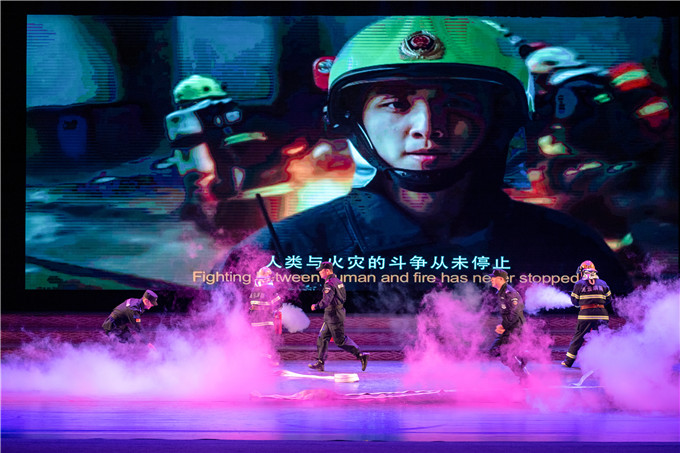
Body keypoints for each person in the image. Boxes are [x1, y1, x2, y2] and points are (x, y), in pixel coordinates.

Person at [219, 16, 631, 303]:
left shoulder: (568, 249)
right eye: (396, 103)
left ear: (499, 118)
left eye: (458, 104)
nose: (427, 127)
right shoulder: (278, 254)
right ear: (352, 119)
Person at [308, 261, 369, 372]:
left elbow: (326, 301)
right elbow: (343, 298)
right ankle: (320, 362)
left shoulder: (329, 283)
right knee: (322, 337)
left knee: (340, 341)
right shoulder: (338, 281)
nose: (319, 273)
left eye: (321, 271)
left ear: (327, 271)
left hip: (333, 316)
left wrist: (315, 306)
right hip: (333, 314)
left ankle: (360, 354)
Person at [561, 260, 611, 368]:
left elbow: (574, 301)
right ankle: (606, 362)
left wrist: (583, 303)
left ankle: (568, 362)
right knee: (603, 338)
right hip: (602, 315)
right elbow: (608, 299)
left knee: (578, 338)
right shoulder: (603, 283)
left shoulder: (579, 284)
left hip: (585, 315)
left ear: (583, 271)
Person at [487, 269, 529, 382]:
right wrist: (503, 325)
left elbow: (515, 313)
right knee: (493, 351)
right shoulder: (501, 292)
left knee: (506, 356)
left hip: (515, 328)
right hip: (508, 327)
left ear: (501, 279)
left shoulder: (510, 293)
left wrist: (503, 326)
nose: (491, 279)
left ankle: (524, 377)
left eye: (493, 277)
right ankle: (521, 355)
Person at [248, 266, 283, 334]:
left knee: (256, 337)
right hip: (266, 318)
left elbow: (250, 303)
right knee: (267, 337)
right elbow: (278, 304)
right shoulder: (270, 288)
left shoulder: (254, 288)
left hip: (254, 318)